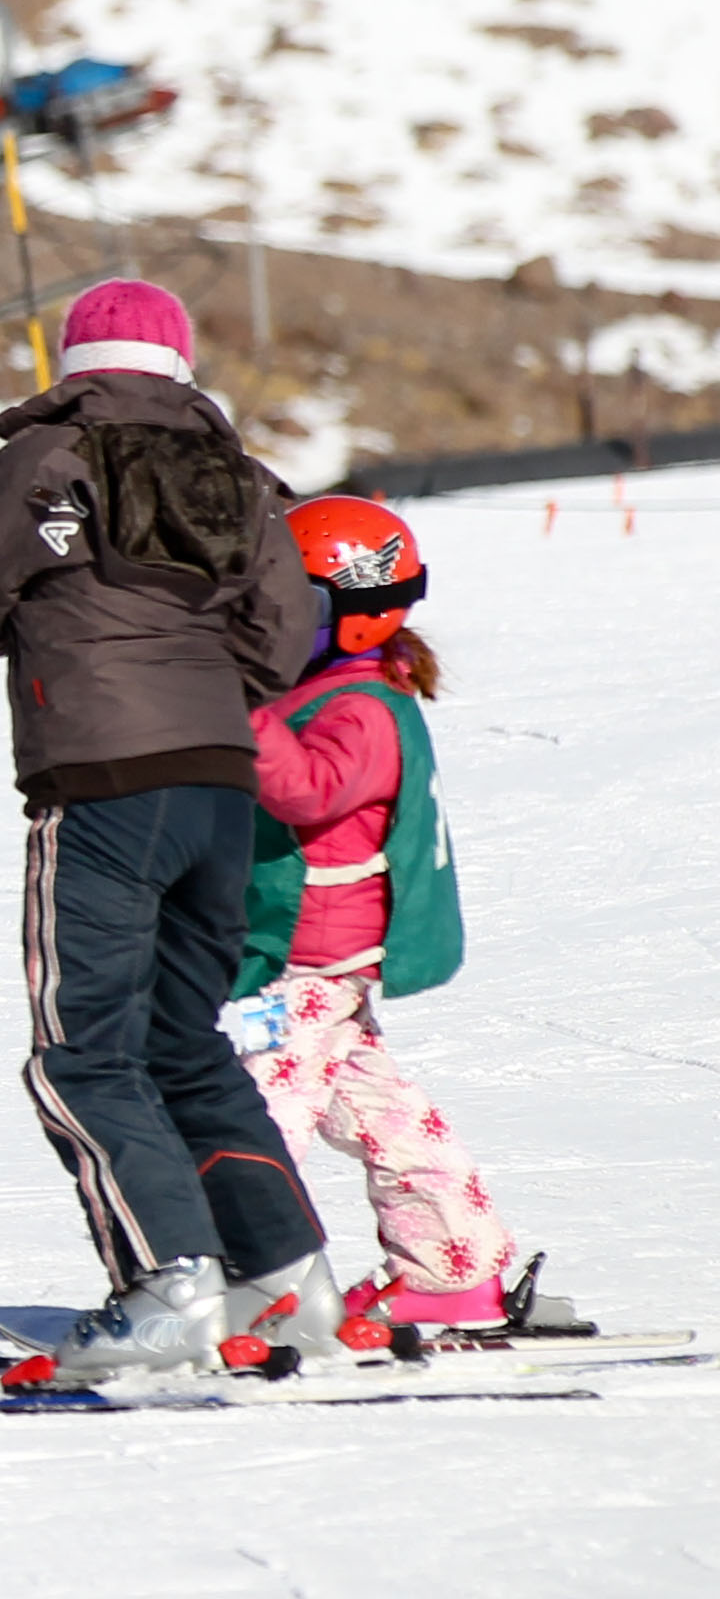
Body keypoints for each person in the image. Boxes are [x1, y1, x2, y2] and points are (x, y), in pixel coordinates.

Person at [0, 277, 358, 1378]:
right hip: (222, 781)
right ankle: (288, 1286)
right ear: (179, 362)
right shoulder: (240, 472)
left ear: (77, 357)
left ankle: (166, 1288)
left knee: (84, 1055)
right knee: (186, 1041)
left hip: (104, 776)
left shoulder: (48, 454)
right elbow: (282, 633)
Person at [227, 497, 533, 1328]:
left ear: (355, 615)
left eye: (294, 602)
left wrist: (238, 707)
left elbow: (304, 790)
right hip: (314, 953)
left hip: (310, 958)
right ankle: (450, 1266)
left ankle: (252, 1283)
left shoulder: (360, 708)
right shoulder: (331, 687)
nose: (272, 618)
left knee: (256, 1114)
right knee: (375, 1110)